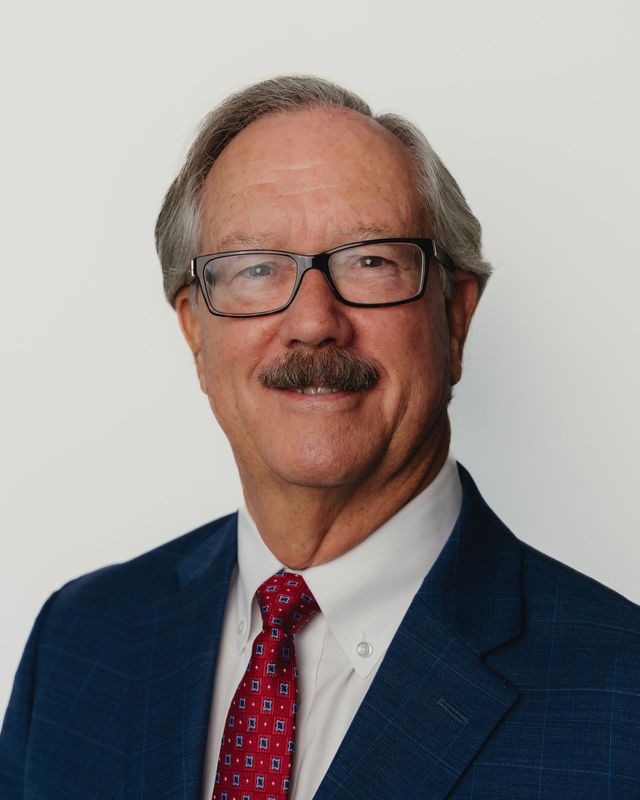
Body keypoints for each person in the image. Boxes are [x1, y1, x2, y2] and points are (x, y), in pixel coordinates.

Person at [1, 76, 638, 800]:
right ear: (195, 333)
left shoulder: (624, 704)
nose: (313, 322)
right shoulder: (78, 645)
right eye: (255, 268)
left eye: (370, 260)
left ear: (455, 318)